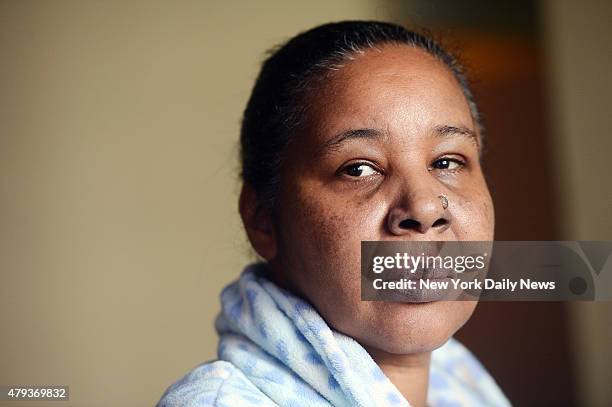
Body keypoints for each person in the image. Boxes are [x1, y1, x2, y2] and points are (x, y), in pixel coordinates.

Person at [157, 21, 510, 407]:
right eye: (358, 168)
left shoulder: (465, 386)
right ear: (262, 219)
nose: (425, 209)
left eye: (446, 161)